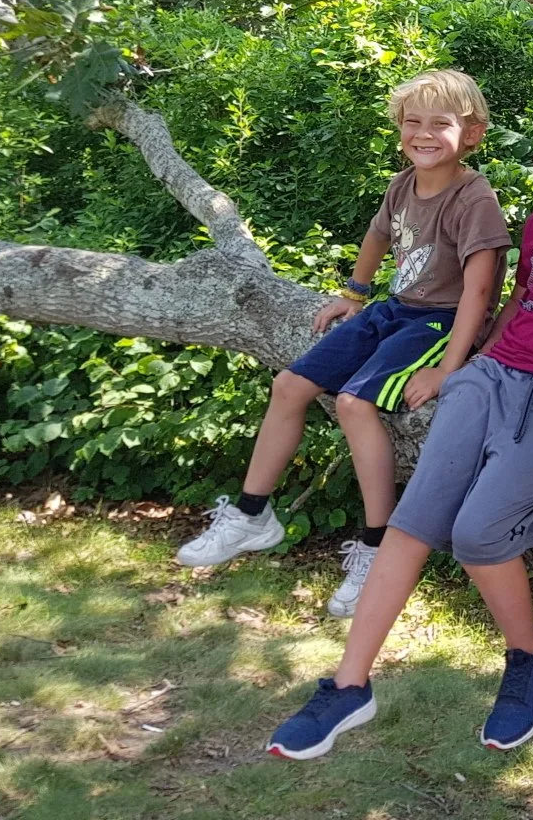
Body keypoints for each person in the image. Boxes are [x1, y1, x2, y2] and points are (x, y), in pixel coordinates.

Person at [265, 114, 533, 759]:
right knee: (411, 523)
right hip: (489, 378)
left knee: (477, 534)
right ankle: (349, 685)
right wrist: (470, 364)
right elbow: (520, 300)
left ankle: (528, 653)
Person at [174, 69, 510, 619]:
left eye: (440, 124)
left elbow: (478, 288)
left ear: (471, 133)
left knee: (354, 403)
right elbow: (378, 235)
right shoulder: (403, 184)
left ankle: (377, 546)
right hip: (394, 309)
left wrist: (449, 367)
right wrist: (354, 293)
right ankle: (252, 514)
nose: (423, 134)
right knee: (289, 385)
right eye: (412, 122)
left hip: (441, 322)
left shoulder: (473, 197)